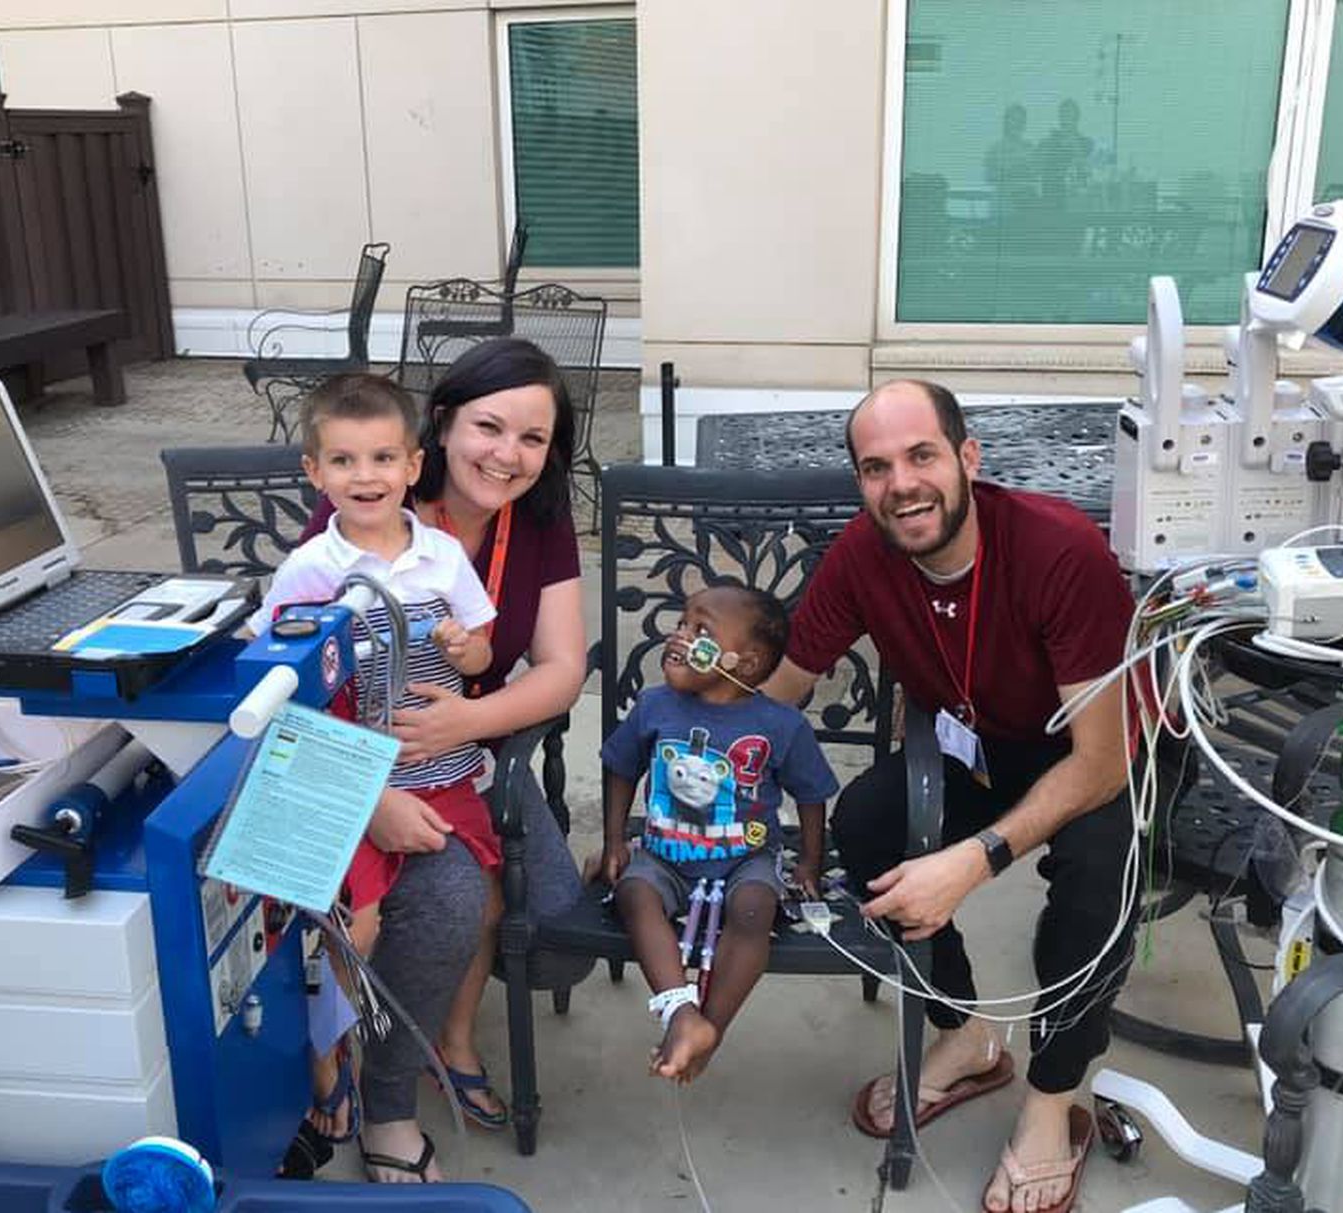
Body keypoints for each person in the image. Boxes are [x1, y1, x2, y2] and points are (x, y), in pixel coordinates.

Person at [761, 380, 1136, 1213]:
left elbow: (1102, 761)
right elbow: (780, 689)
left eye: (921, 455)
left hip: (1100, 750)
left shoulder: (1057, 549)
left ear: (968, 457)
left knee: (1096, 880)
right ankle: (964, 1034)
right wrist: (698, 740)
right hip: (981, 744)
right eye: (876, 467)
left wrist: (978, 856)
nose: (902, 484)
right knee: (868, 827)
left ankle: (1051, 1100)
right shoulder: (864, 552)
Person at [290, 339, 588, 1182]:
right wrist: (366, 792)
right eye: (489, 427)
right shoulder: (369, 502)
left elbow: (563, 670)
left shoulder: (538, 519)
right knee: (446, 894)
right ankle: (383, 1073)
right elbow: (297, 678)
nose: (508, 453)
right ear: (443, 427)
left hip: (476, 749)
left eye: (534, 438)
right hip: (363, 757)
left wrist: (469, 721)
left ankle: (445, 1031)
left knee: (561, 946)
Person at [250, 374, 500, 1183]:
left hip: (437, 768)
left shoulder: (441, 554)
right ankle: (328, 1062)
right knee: (353, 917)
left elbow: (486, 650)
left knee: (459, 894)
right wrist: (362, 790)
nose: (366, 475)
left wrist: (468, 653)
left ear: (414, 464)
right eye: (345, 459)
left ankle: (387, 1091)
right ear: (314, 472)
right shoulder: (310, 569)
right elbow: (273, 687)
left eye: (384, 457)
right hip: (337, 768)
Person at [597, 586, 839, 1083]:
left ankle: (710, 1030)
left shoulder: (780, 724)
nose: (680, 636)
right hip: (664, 853)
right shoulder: (655, 707)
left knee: (754, 909)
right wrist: (616, 841)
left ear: (745, 664)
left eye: (700, 631)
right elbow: (620, 767)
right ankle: (681, 1014)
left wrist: (811, 861)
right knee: (635, 896)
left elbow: (812, 793)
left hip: (746, 857)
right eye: (682, 623)